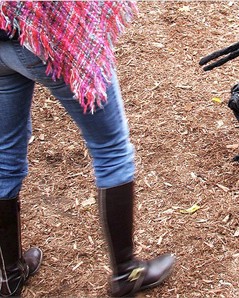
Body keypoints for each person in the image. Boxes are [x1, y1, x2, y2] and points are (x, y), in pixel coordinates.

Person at [0, 1, 174, 297]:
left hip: (3, 34)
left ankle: (8, 276)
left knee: (4, 157)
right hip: (50, 35)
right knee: (112, 150)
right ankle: (126, 273)